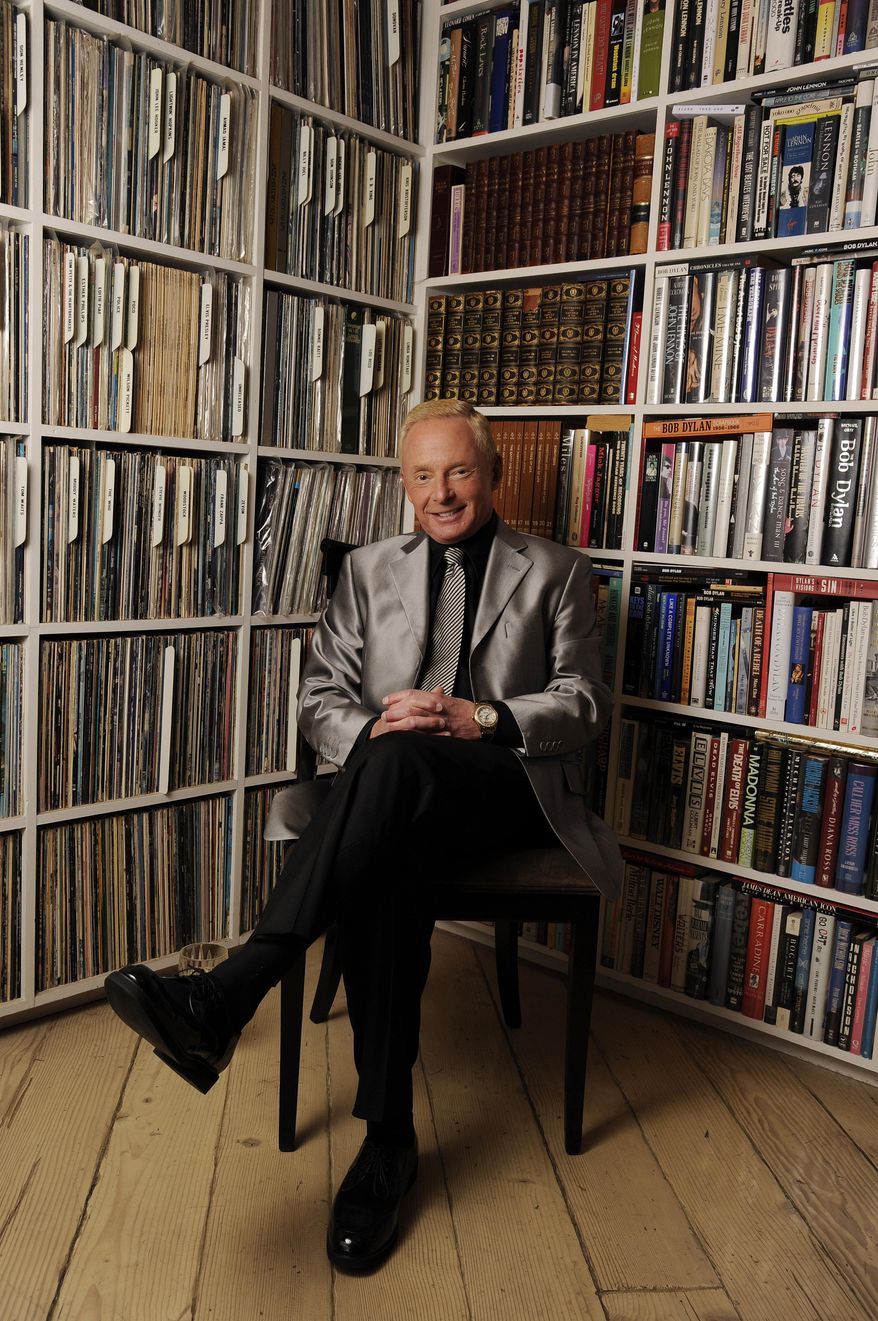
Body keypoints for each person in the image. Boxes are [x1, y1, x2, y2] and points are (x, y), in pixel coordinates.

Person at [104, 398, 623, 1273]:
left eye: (458, 471)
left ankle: (232, 991)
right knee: (390, 824)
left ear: (493, 474)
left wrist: (478, 716)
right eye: (423, 476)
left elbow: (585, 701)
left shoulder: (556, 570)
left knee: (401, 767)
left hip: (505, 784)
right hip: (393, 792)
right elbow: (318, 699)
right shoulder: (367, 569)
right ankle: (388, 1139)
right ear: (404, 484)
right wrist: (377, 730)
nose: (441, 492)